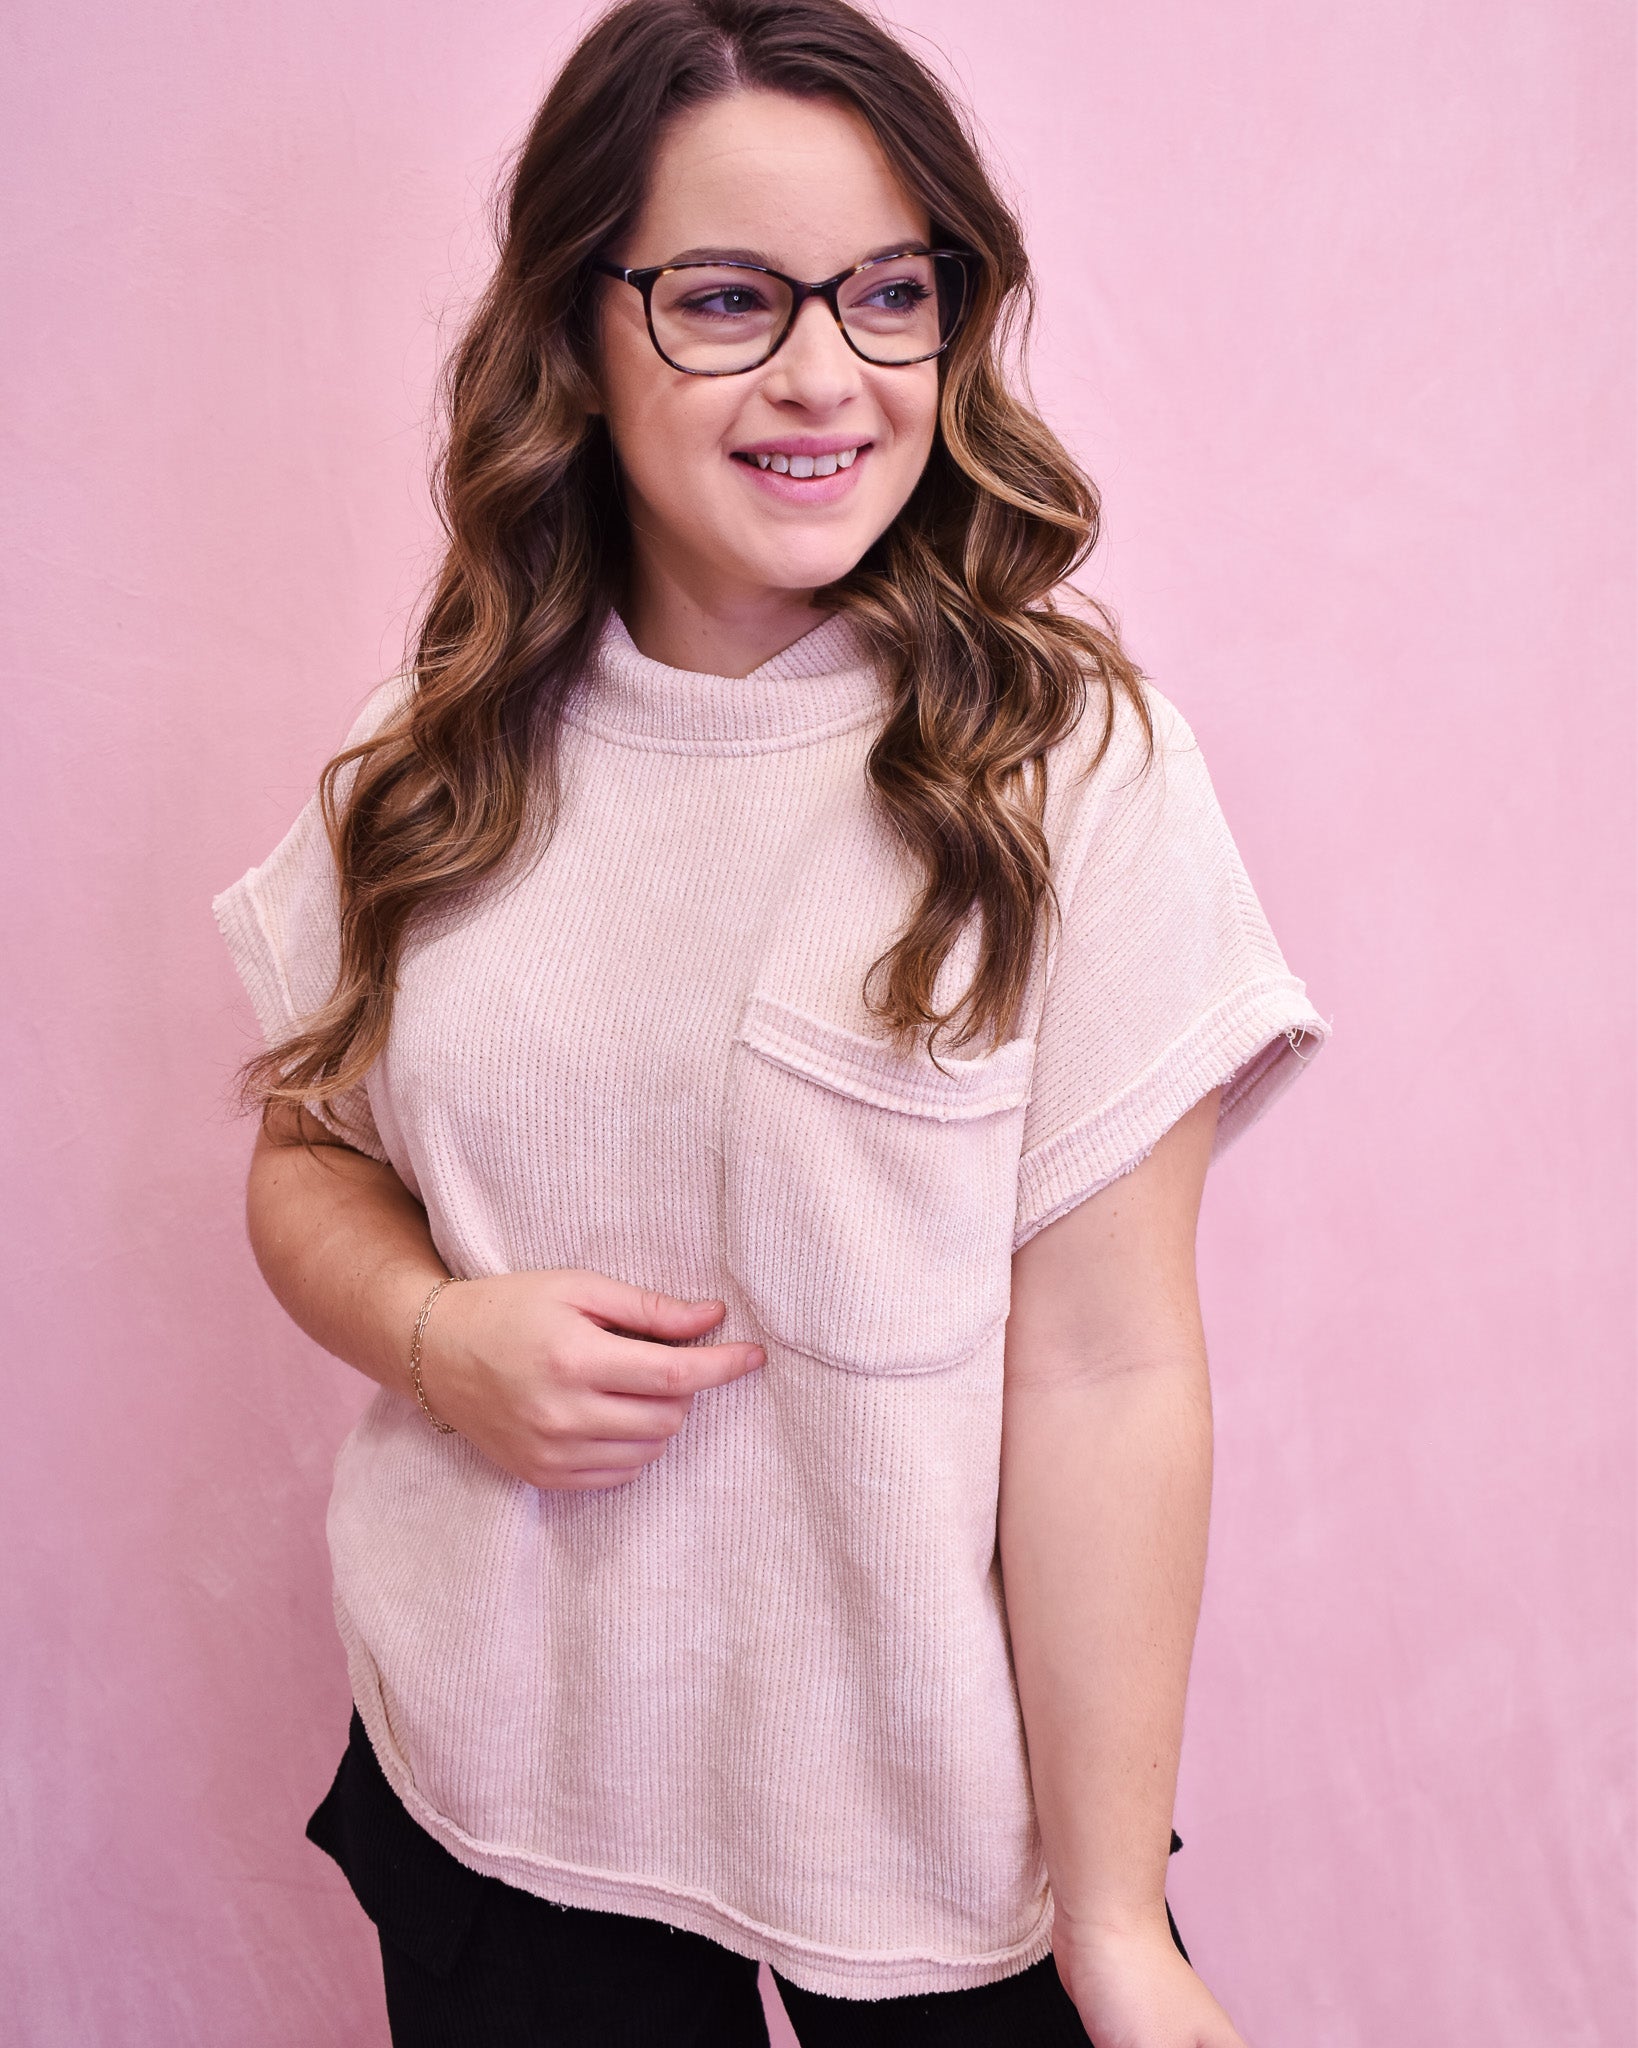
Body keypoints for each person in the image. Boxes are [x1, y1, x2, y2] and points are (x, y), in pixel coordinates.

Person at [211, 2, 1330, 2041]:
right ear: (579, 330)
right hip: (497, 1795)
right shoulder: (434, 760)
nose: (827, 374)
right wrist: (437, 1336)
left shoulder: (1072, 769)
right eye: (728, 298)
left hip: (936, 1842)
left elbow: (1107, 1370)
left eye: (888, 292)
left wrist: (1113, 1924)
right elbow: (307, 1159)